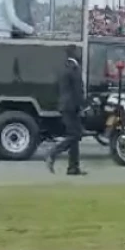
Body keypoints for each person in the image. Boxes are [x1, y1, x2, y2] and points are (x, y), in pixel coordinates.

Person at [46, 46, 86, 175]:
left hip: (64, 105)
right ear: (74, 54)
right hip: (72, 106)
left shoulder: (63, 68)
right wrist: (82, 106)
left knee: (74, 135)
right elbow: (78, 90)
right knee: (75, 135)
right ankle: (53, 153)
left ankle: (73, 167)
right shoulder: (74, 69)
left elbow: (56, 88)